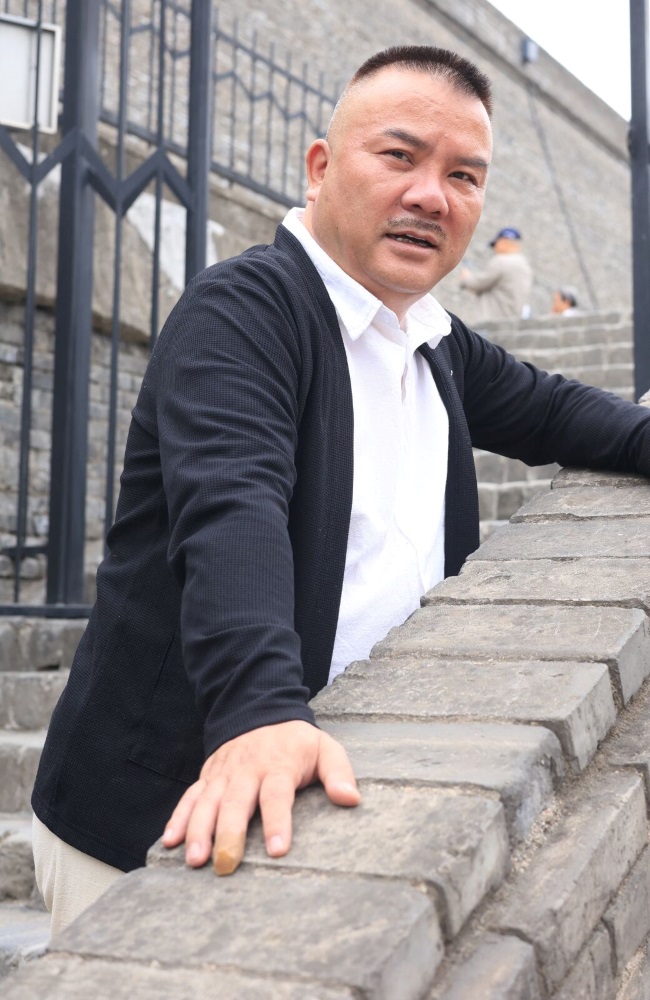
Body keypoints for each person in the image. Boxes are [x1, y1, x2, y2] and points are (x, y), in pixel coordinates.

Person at [31, 45, 650, 935]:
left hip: (341, 795)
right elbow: (231, 508)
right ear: (321, 167)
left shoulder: (432, 340)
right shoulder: (244, 310)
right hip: (159, 817)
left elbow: (559, 413)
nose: (431, 195)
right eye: (399, 156)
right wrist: (258, 711)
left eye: (464, 175)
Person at [459, 226, 533, 321]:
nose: (495, 249)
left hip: (492, 321)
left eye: (495, 245)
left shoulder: (501, 261)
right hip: (511, 321)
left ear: (503, 241)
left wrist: (466, 278)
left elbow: (478, 284)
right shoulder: (525, 266)